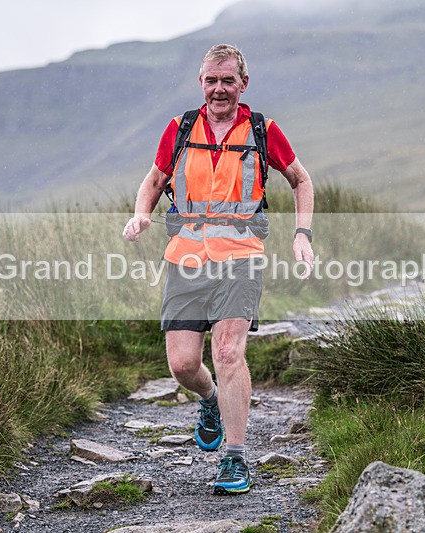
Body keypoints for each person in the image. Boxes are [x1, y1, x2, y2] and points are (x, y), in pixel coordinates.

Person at [123, 44, 314, 495]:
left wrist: (301, 234)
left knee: (228, 353)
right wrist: (142, 213)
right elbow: (154, 181)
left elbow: (301, 179)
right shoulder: (180, 128)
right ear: (201, 83)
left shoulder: (262, 130)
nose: (219, 89)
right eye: (211, 80)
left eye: (228, 80)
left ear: (243, 83)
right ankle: (209, 400)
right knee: (183, 364)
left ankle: (235, 458)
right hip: (185, 257)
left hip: (241, 254)